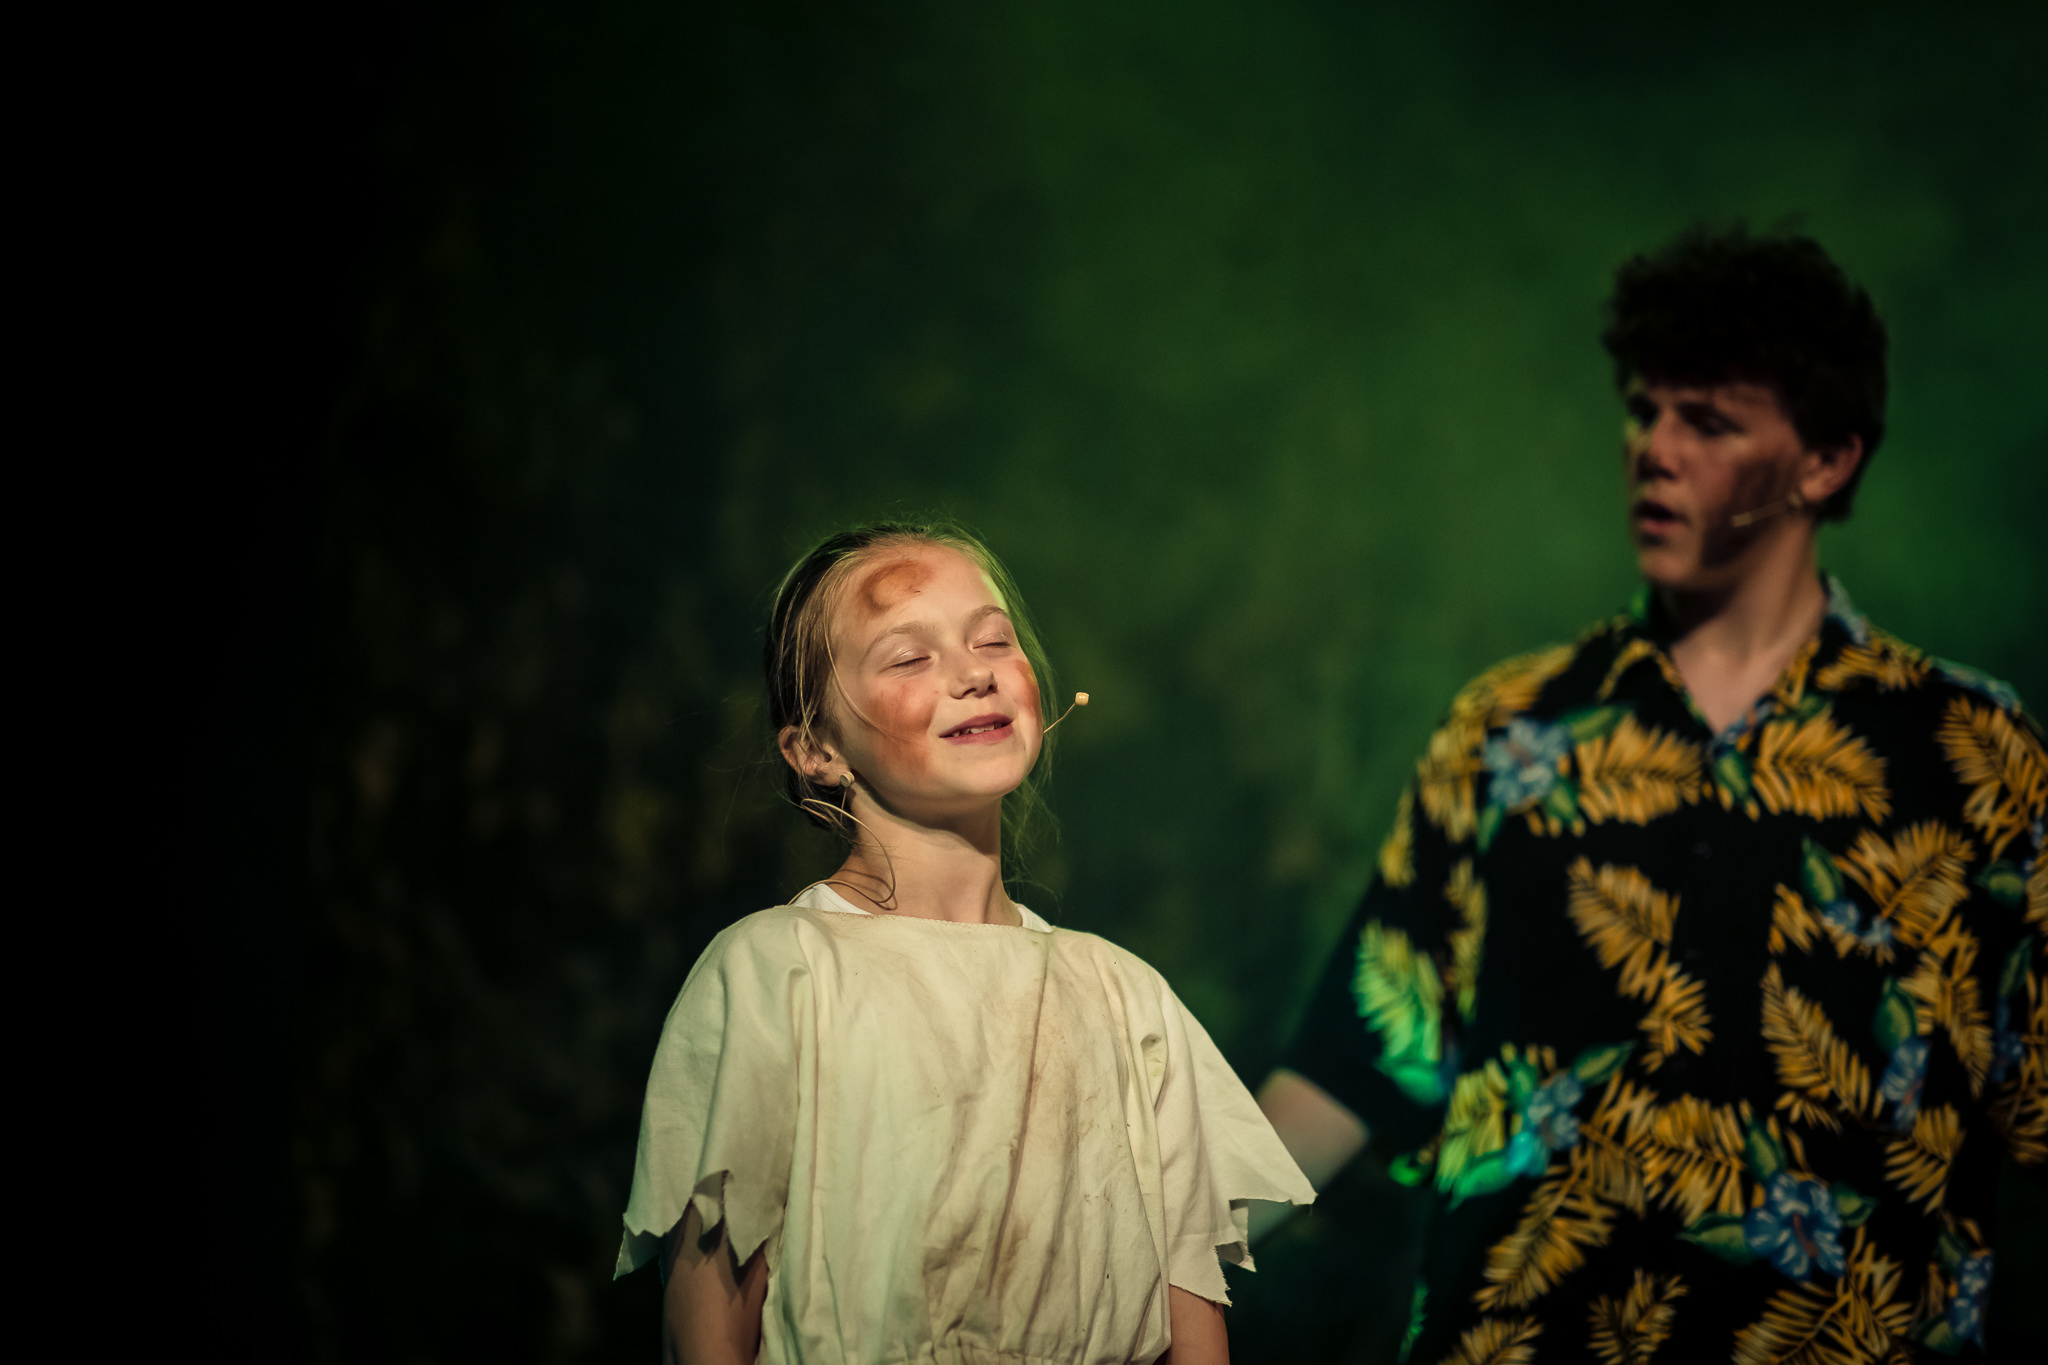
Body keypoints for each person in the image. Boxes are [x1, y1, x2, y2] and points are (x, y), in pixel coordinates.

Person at [1257, 227, 2045, 1362]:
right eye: (1643, 412)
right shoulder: (1511, 730)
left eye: (1708, 422)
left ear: (1825, 461)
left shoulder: (1974, 753)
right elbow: (1352, 1066)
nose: (1654, 450)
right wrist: (1119, 1266)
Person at [616, 522, 1314, 1365]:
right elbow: (708, 1328)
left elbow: (1192, 1332)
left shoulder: (1123, 996)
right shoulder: (778, 973)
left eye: (993, 640)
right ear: (815, 748)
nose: (974, 672)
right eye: (909, 657)